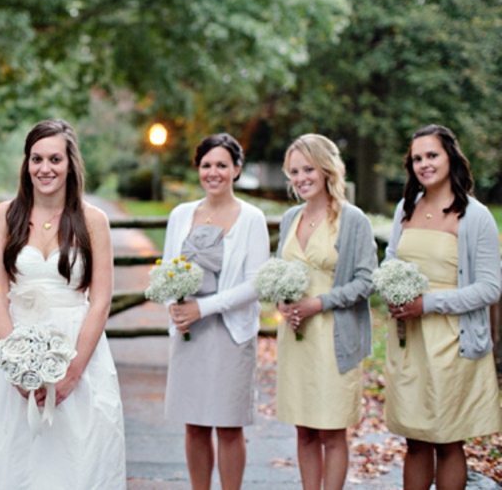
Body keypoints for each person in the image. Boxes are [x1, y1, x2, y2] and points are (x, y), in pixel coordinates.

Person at [0, 119, 126, 489]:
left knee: (77, 458)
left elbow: (100, 300)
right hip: (14, 341)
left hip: (77, 345)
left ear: (70, 164)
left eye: (55, 159)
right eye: (36, 159)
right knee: (13, 458)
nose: (45, 168)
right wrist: (15, 365)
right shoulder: (4, 216)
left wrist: (72, 372)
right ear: (26, 164)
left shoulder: (93, 221)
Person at [383, 124, 502, 490]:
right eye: (417, 158)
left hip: (453, 342)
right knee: (414, 439)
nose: (424, 164)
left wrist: (428, 303)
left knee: (448, 440)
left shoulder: (475, 215)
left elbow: (490, 287)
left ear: (450, 157)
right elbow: (389, 260)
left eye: (431, 155)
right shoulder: (406, 209)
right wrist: (390, 290)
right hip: (408, 342)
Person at [162, 133, 269, 490]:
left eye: (222, 165)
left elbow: (256, 284)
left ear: (237, 169)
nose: (213, 172)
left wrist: (202, 308)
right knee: (193, 423)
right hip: (189, 335)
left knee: (227, 424)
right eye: (206, 165)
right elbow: (166, 271)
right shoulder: (181, 215)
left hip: (230, 332)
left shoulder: (251, 218)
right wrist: (174, 307)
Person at [274, 134, 377, 490]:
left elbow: (367, 281)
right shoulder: (290, 218)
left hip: (335, 340)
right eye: (293, 171)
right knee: (303, 431)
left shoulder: (352, 220)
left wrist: (319, 303)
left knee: (331, 432)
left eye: (307, 169)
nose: (300, 178)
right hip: (296, 340)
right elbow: (277, 273)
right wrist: (282, 302)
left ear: (326, 169)